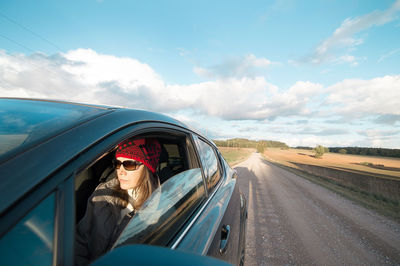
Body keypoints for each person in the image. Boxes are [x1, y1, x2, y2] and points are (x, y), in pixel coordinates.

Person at [75, 138, 162, 265]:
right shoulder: (102, 194)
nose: (121, 171)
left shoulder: (162, 209)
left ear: (147, 169)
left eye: (129, 164)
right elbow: (80, 240)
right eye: (117, 163)